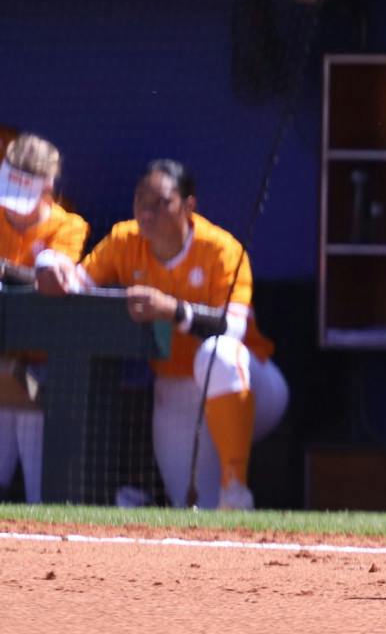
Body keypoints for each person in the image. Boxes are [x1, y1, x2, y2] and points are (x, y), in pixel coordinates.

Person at [36, 160, 288, 511]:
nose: (148, 212)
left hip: (252, 385)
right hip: (175, 388)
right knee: (198, 512)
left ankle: (236, 486)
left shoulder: (221, 249)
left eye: (161, 203)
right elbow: (76, 283)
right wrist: (50, 267)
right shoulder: (125, 239)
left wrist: (171, 309)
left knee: (219, 353)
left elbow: (234, 329)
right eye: (141, 201)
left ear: (188, 206)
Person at [0, 133, 87, 503]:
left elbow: (53, 279)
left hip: (46, 366)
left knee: (33, 420)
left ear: (48, 186)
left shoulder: (68, 226)